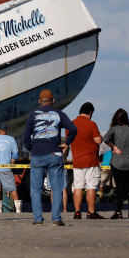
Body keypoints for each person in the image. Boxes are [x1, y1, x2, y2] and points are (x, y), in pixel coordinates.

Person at [22, 89, 78, 226]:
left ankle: (38, 219)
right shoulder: (59, 114)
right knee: (57, 188)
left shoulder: (32, 115)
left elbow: (25, 138)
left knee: (36, 189)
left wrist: (32, 149)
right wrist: (66, 143)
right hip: (55, 154)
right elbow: (73, 129)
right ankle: (56, 219)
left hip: (37, 155)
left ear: (39, 101)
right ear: (53, 100)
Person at [69, 102, 103, 219]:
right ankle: (91, 212)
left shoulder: (71, 124)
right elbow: (98, 140)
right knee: (91, 187)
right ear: (90, 112)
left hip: (77, 161)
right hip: (91, 161)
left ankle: (77, 212)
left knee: (78, 186)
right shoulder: (91, 124)